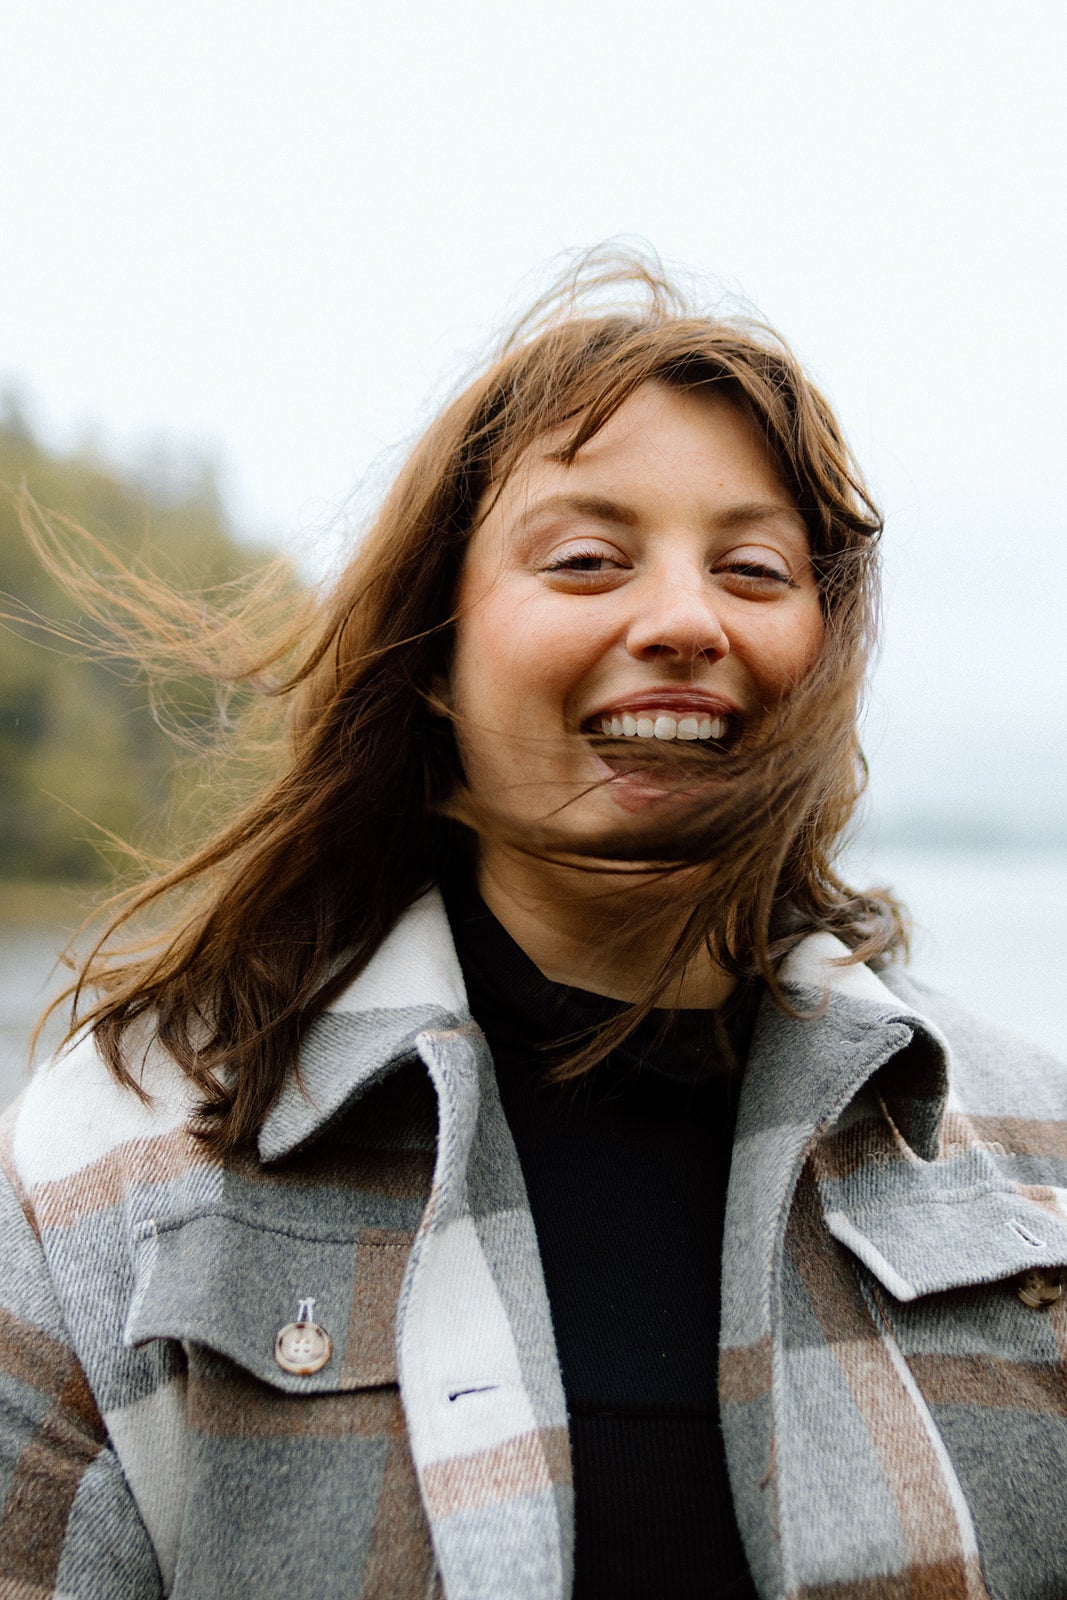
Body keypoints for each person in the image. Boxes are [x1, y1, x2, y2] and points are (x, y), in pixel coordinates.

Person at [2, 252, 1067, 1600]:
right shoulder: (111, 1170)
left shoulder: (1043, 1166)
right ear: (437, 660)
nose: (684, 620)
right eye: (584, 560)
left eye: (751, 569)